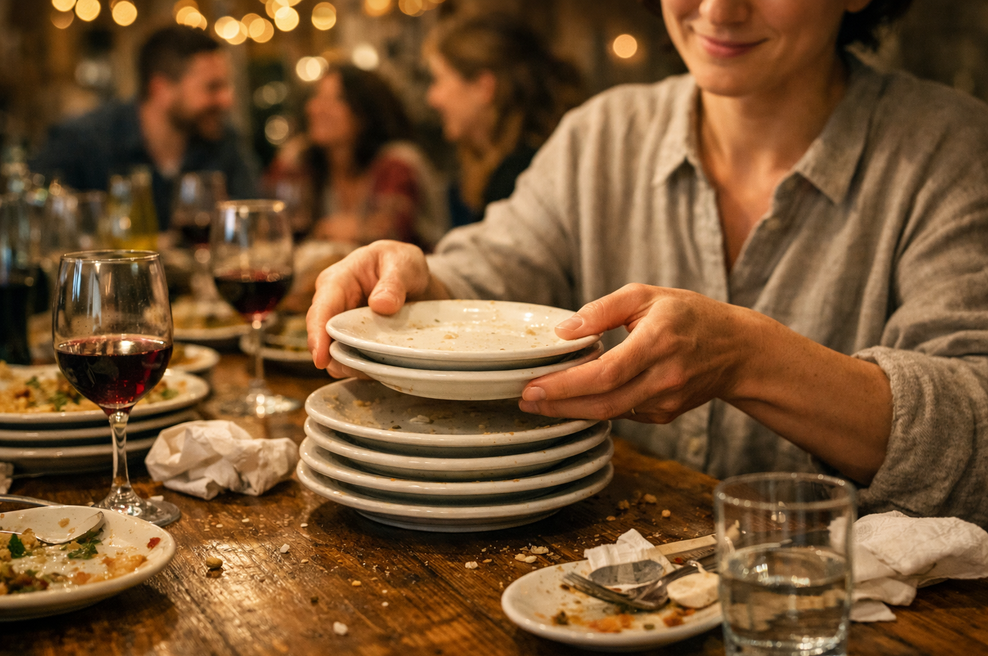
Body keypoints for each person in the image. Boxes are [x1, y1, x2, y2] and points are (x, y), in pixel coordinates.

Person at [306, 0, 988, 529]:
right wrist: (413, 281)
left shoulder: (949, 150)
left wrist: (750, 358)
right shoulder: (601, 134)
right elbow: (492, 272)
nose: (718, 11)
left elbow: (976, 440)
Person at [31, 25, 258, 230]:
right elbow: (35, 216)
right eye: (212, 87)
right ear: (161, 89)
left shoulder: (223, 140)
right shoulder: (82, 141)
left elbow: (254, 220)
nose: (228, 100)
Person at [424, 13, 584, 228]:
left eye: (439, 79)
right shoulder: (523, 161)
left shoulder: (519, 177)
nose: (432, 98)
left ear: (484, 87)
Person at [267, 65, 447, 249]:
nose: (316, 108)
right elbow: (272, 222)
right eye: (317, 97)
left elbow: (393, 232)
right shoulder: (304, 160)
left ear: (364, 113)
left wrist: (347, 229)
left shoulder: (398, 161)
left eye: (334, 99)